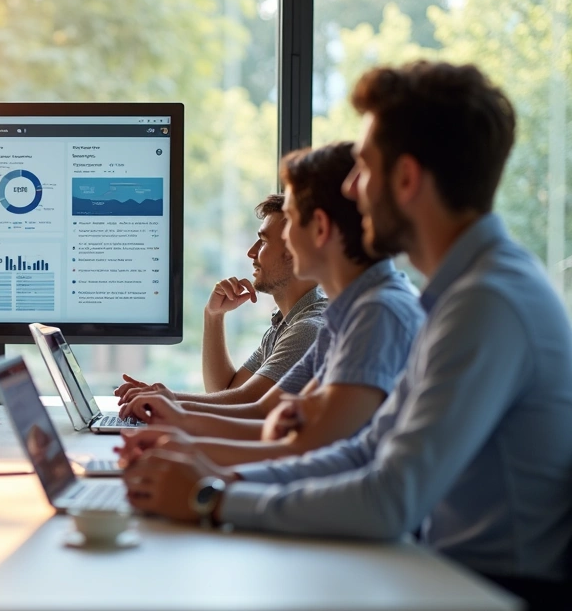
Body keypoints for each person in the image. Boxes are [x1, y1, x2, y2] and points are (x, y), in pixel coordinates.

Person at [119, 61, 572, 600]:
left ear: (405, 179)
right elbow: (366, 453)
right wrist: (217, 481)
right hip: (441, 573)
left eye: (362, 169)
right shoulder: (459, 294)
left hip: (489, 589)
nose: (353, 192)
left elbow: (389, 498)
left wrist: (210, 497)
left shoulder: (485, 303)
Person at [117, 142, 424, 466]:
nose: (257, 250)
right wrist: (173, 419)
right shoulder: (345, 316)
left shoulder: (375, 315)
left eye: (289, 221)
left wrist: (192, 461)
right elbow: (264, 411)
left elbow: (302, 449)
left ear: (319, 227)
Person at [117, 194, 327, 407]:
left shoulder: (308, 329)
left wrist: (163, 397)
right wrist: (213, 316)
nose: (251, 252)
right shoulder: (285, 324)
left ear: (294, 252)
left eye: (263, 242)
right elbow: (222, 393)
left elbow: (244, 403)